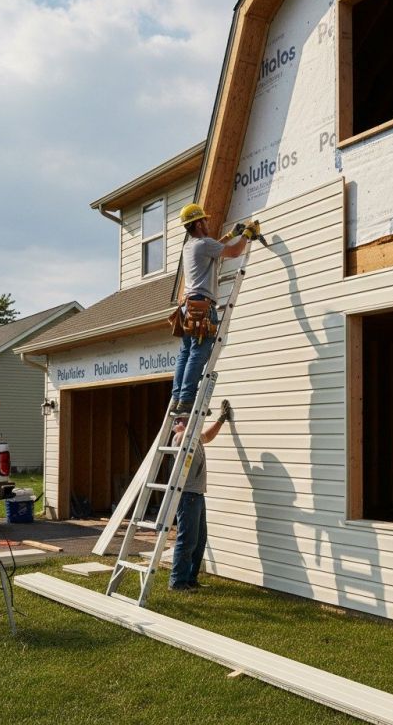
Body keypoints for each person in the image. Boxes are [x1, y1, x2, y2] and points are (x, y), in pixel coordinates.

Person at [170, 203, 259, 417]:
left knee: (185, 353)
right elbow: (236, 252)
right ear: (199, 223)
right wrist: (247, 235)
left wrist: (230, 234)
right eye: (205, 220)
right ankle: (187, 400)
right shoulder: (203, 244)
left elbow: (214, 248)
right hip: (201, 306)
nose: (208, 223)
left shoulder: (191, 246)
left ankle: (177, 399)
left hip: (188, 307)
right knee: (198, 354)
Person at [168, 400, 233, 591]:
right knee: (187, 539)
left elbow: (206, 436)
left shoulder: (194, 437)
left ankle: (190, 579)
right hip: (186, 496)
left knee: (199, 539)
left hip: (197, 495)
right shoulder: (180, 437)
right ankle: (177, 582)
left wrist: (221, 420)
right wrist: (196, 416)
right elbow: (184, 435)